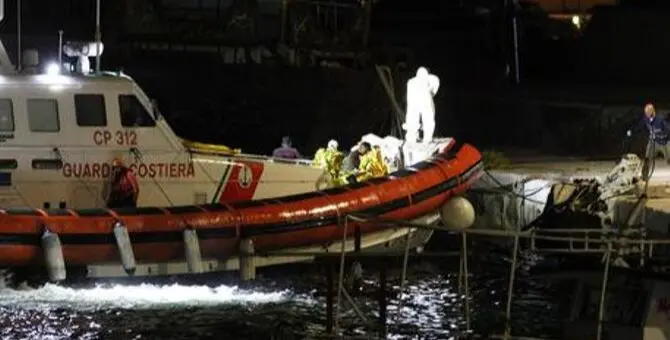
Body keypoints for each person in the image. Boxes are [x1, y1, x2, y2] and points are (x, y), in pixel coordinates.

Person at [403, 66, 440, 144]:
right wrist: (430, 93)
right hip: (424, 99)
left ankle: (411, 138)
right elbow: (434, 90)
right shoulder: (432, 78)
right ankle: (427, 139)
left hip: (413, 101)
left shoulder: (410, 81)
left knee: (412, 118)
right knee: (428, 118)